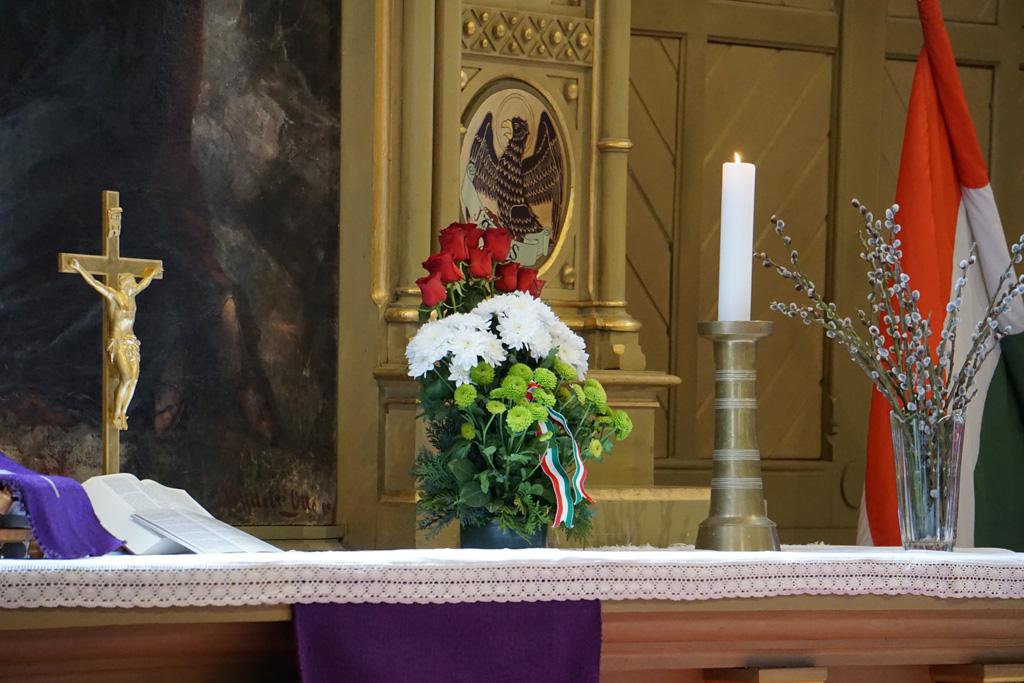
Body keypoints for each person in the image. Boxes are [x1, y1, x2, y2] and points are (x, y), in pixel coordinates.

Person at [68, 258, 161, 431]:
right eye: (131, 283)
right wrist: (80, 268)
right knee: (126, 377)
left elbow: (144, 283)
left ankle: (123, 413)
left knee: (134, 379)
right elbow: (95, 283)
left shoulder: (132, 295)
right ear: (124, 284)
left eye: (134, 283)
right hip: (118, 342)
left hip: (131, 342)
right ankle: (116, 413)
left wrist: (152, 273)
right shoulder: (115, 296)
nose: (134, 285)